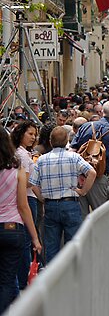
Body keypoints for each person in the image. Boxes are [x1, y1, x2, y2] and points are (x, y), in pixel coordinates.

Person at [30, 127, 96, 263]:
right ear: (66, 140)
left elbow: (33, 182)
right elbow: (92, 173)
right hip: (70, 203)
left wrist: (42, 197)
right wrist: (83, 191)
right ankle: (73, 276)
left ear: (50, 141)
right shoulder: (74, 157)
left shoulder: (42, 160)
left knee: (51, 245)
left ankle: (53, 279)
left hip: (50, 205)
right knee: (73, 244)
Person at [0, 126, 41, 313]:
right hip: (12, 228)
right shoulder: (17, 170)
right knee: (8, 278)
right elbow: (23, 206)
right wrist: (34, 238)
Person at [70, 100, 109, 216]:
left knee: (81, 220)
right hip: (100, 178)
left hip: (80, 177)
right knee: (102, 217)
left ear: (102, 112)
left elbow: (72, 151)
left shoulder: (85, 127)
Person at [10, 120, 40, 291]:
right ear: (20, 133)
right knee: (27, 240)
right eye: (30, 134)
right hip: (27, 199)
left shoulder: (23, 153)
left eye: (34, 134)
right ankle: (23, 279)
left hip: (29, 198)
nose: (33, 137)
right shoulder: (21, 155)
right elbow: (26, 182)